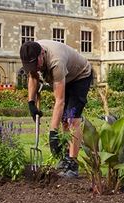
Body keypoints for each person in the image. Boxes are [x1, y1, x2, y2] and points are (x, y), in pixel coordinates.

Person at [20, 40, 93, 177]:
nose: (34, 68)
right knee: (64, 120)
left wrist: (53, 133)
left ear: (42, 54)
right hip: (66, 76)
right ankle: (66, 156)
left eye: (36, 64)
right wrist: (31, 102)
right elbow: (33, 76)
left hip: (80, 76)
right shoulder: (31, 53)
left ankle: (73, 164)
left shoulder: (56, 61)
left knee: (72, 119)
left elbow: (59, 101)